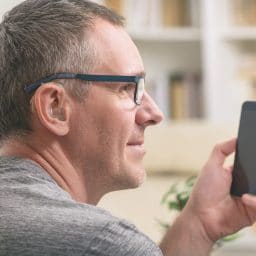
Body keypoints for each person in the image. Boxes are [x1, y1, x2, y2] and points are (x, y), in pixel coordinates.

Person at [0, 0, 256, 255]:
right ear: (55, 107)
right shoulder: (104, 242)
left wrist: (198, 225)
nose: (154, 114)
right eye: (127, 88)